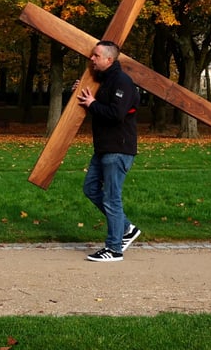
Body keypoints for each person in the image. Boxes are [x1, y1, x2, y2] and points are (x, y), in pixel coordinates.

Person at [76, 40, 142, 262]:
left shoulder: (122, 81)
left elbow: (116, 114)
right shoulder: (105, 81)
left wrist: (92, 103)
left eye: (95, 56)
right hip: (104, 148)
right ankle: (126, 229)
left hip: (118, 148)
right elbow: (101, 100)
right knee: (91, 188)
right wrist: (86, 92)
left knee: (112, 198)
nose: (91, 59)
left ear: (109, 59)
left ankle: (114, 249)